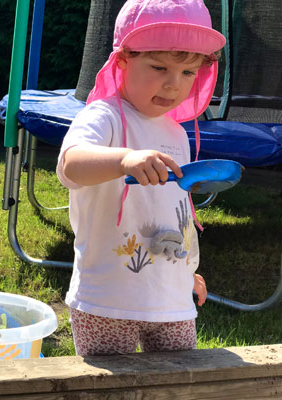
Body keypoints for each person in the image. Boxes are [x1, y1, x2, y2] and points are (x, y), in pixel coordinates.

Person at [56, 0, 224, 356]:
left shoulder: (177, 134)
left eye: (188, 73)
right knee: (107, 389)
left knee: (178, 383)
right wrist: (125, 159)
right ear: (122, 61)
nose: (173, 84)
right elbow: (71, 164)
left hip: (172, 300)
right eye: (159, 66)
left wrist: (183, 271)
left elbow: (172, 209)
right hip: (107, 299)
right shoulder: (104, 116)